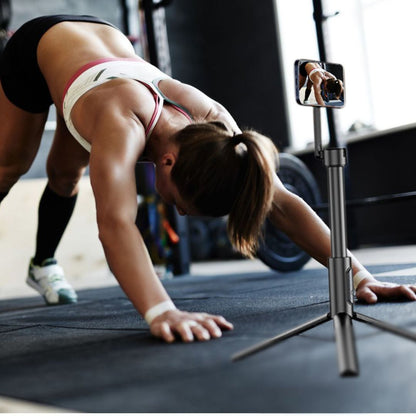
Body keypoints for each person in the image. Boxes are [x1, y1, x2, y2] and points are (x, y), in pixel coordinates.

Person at [0, 15, 415, 344]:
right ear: (165, 162)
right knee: (12, 167)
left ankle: (42, 265)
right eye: (181, 204)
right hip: (38, 48)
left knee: (67, 171)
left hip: (96, 54)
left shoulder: (218, 127)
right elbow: (115, 223)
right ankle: (46, 259)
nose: (176, 209)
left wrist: (360, 277)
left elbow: (281, 200)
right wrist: (163, 311)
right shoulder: (120, 122)